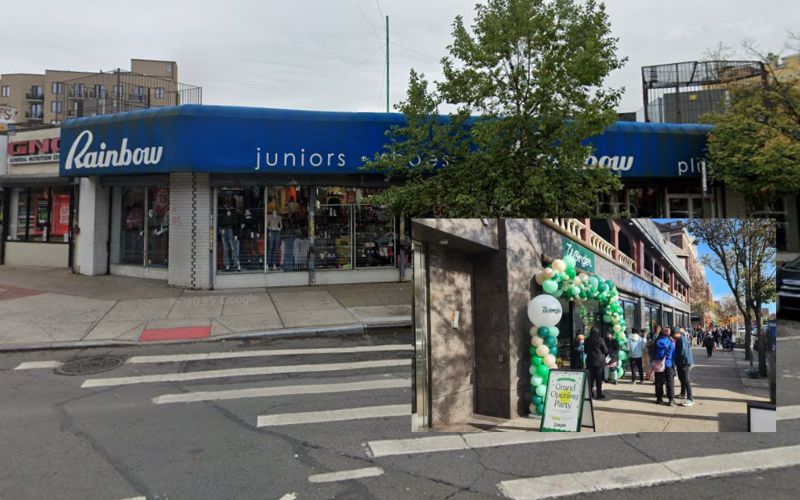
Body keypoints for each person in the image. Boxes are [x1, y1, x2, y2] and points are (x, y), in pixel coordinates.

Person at [653, 327, 676, 406]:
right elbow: (673, 354)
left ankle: (659, 398)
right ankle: (671, 399)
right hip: (668, 364)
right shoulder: (671, 343)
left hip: (658, 364)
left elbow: (653, 353)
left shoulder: (656, 342)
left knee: (658, 382)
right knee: (670, 382)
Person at [673, 328, 695, 406]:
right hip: (682, 362)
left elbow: (683, 353)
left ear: (677, 333)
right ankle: (683, 393)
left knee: (685, 379)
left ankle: (690, 398)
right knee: (681, 378)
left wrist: (677, 360)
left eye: (674, 334)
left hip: (685, 363)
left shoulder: (682, 340)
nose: (673, 337)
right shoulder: (679, 339)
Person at [585, 327, 608, 400]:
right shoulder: (600, 340)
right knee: (599, 379)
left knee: (590, 378)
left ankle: (590, 394)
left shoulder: (587, 340)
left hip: (590, 361)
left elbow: (585, 351)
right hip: (599, 361)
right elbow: (605, 350)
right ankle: (599, 394)